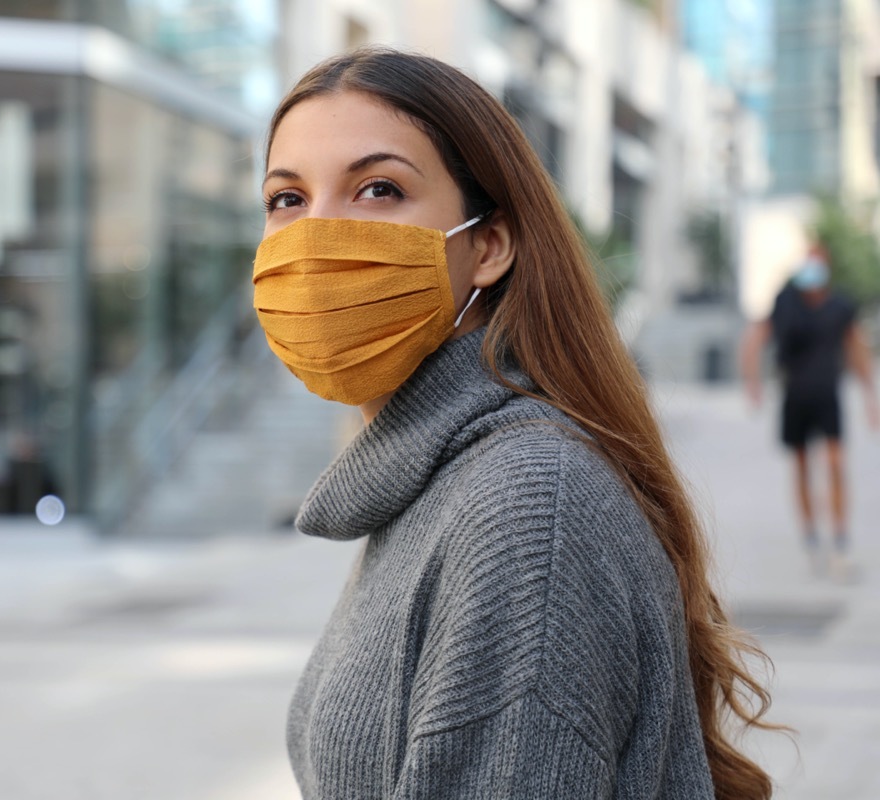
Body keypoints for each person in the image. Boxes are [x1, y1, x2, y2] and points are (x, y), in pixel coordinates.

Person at [252, 47, 775, 799]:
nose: (318, 238)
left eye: (377, 189)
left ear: (488, 245)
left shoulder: (528, 507)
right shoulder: (433, 483)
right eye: (287, 200)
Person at [740, 246, 878, 579]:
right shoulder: (786, 302)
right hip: (795, 396)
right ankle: (812, 535)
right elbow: (755, 338)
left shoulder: (840, 306)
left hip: (827, 396)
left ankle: (840, 537)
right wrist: (752, 381)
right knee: (802, 465)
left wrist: (870, 396)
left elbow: (857, 348)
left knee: (833, 463)